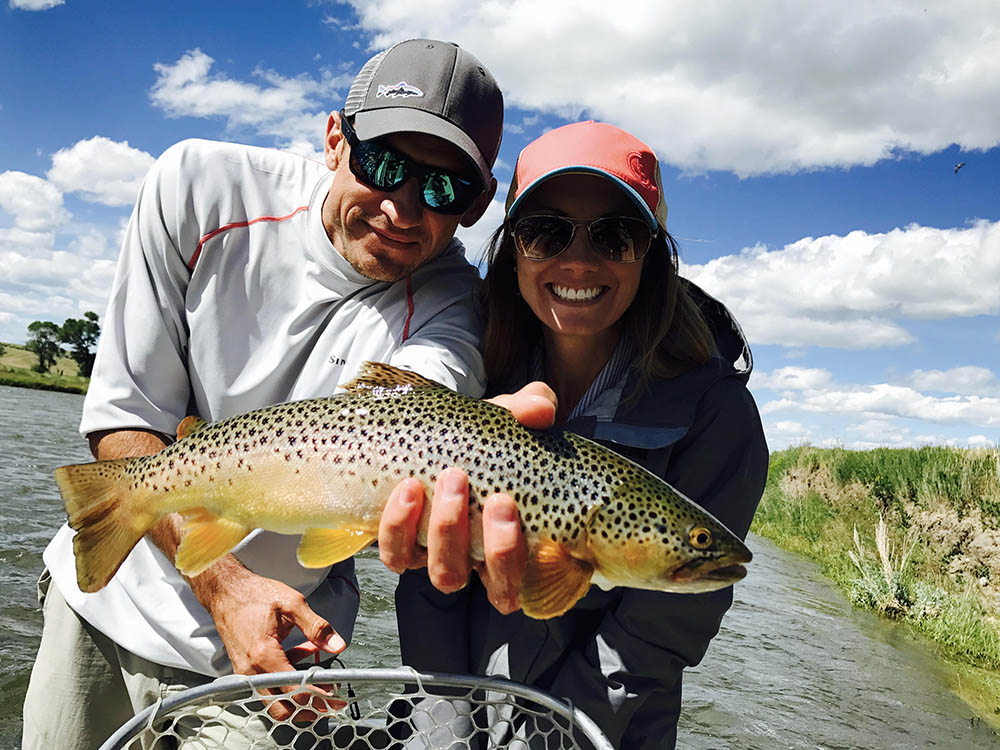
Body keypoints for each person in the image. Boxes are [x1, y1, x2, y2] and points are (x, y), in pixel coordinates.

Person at [21, 38, 547, 750]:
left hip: (283, 648)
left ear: (478, 203)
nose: (401, 208)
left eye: (443, 189)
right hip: (107, 598)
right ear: (335, 139)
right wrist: (227, 589)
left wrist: (460, 444)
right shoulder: (199, 187)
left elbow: (426, 394)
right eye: (384, 164)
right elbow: (128, 415)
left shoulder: (457, 304)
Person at [395, 120, 769, 749]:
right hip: (446, 715)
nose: (577, 260)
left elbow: (653, 640)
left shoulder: (718, 416)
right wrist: (442, 730)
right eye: (545, 232)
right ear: (514, 246)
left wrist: (541, 738)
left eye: (615, 236)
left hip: (603, 733)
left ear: (649, 252)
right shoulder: (473, 366)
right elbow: (432, 581)